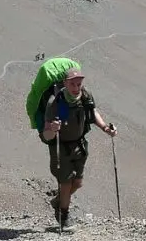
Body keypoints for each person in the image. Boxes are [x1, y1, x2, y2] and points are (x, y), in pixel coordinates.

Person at [35, 67, 115, 228]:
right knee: (66, 182)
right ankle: (63, 217)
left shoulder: (85, 96)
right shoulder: (55, 102)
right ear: (65, 83)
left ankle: (58, 202)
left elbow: (92, 113)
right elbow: (46, 135)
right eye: (72, 84)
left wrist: (106, 128)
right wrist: (52, 128)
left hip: (79, 143)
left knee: (77, 183)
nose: (76, 88)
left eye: (79, 84)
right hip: (61, 146)